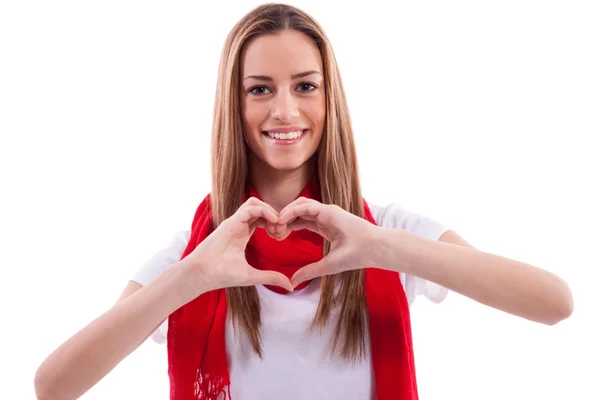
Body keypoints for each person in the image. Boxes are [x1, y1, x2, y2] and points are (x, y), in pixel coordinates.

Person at [34, 3, 574, 400]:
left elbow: (554, 303)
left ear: (328, 97)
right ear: (235, 104)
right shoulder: (197, 254)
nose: (285, 111)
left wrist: (383, 247)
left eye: (306, 86)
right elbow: (53, 386)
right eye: (260, 89)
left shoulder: (388, 230)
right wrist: (193, 276)